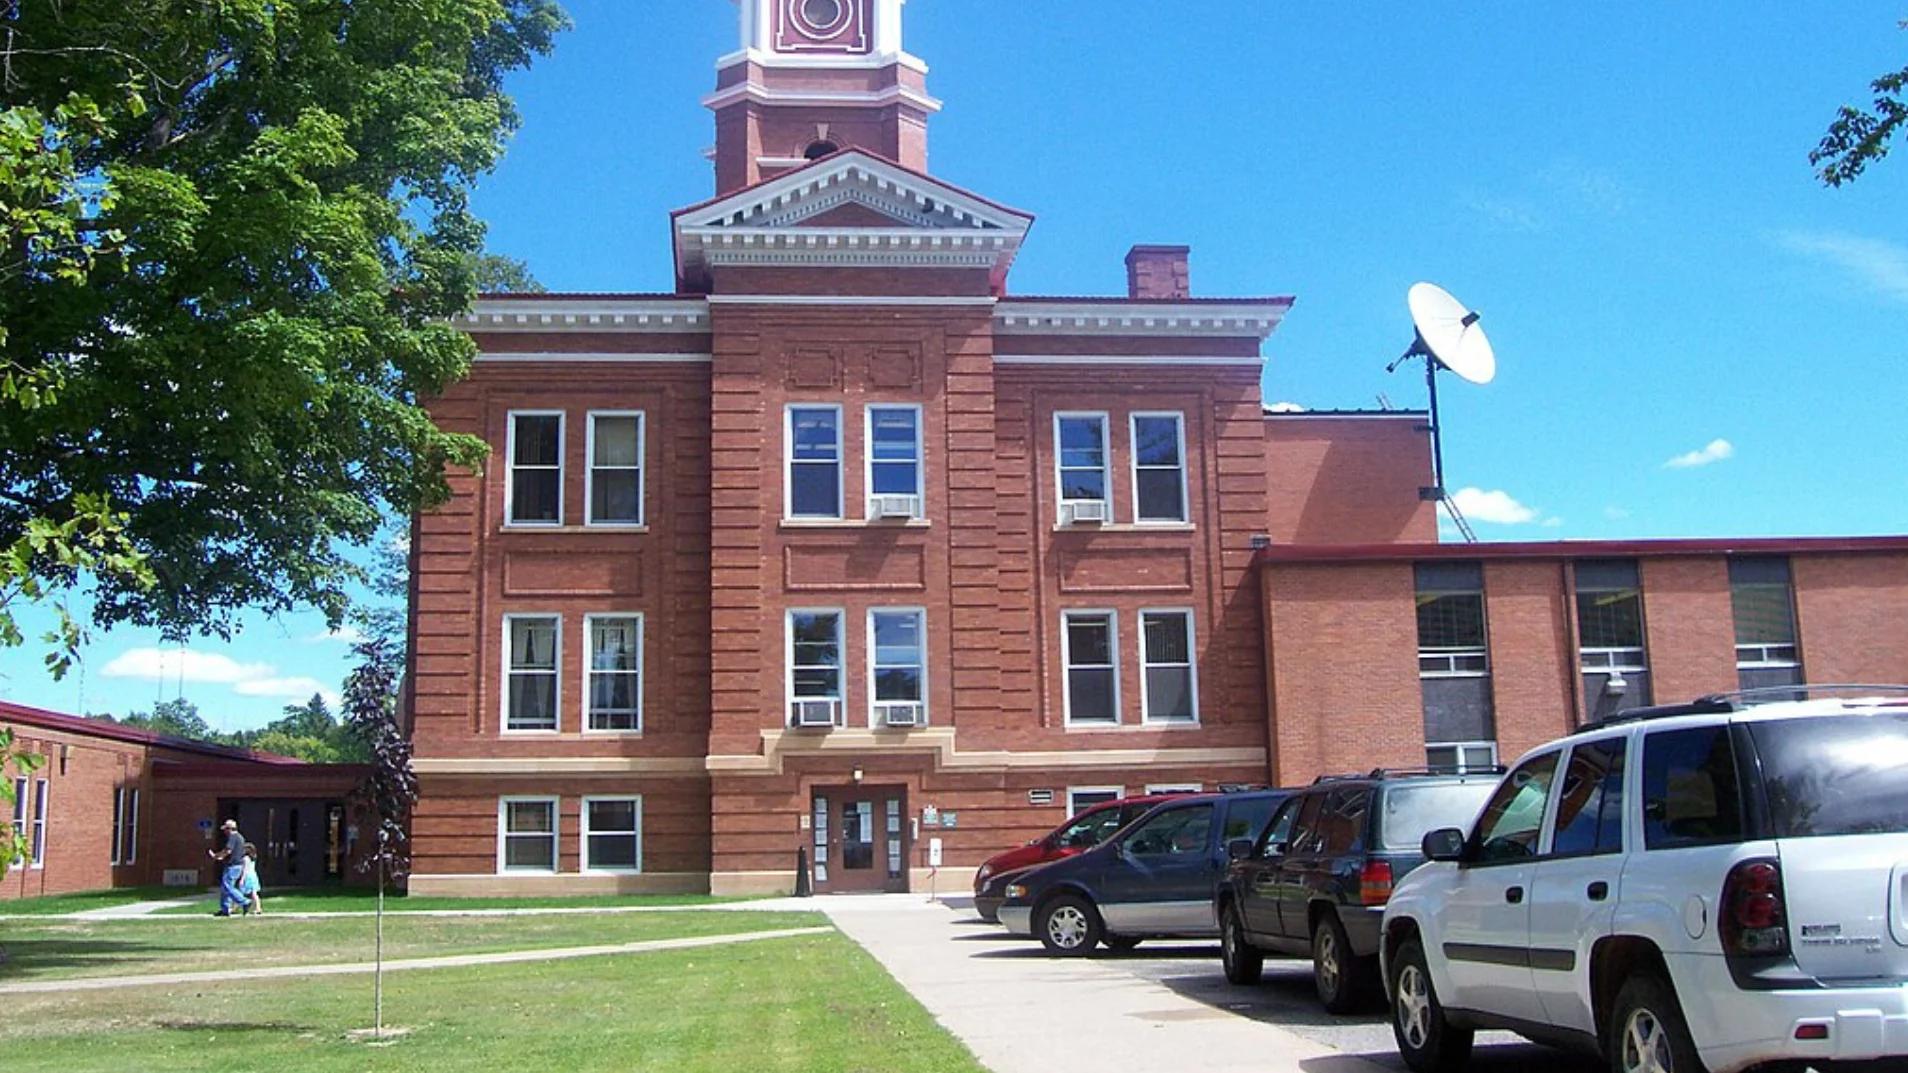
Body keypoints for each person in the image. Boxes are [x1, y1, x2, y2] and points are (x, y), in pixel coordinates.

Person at [207, 818, 247, 917]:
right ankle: (225, 909)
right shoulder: (240, 837)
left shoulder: (233, 837)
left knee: (227, 886)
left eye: (226, 829)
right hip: (236, 865)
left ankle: (244, 901)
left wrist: (217, 856)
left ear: (230, 829)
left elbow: (228, 850)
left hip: (233, 866)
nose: (224, 831)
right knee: (225, 888)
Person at [239, 842, 264, 916]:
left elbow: (244, 870)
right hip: (253, 875)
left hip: (247, 876)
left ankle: (234, 908)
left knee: (240, 893)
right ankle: (258, 908)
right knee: (254, 893)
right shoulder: (253, 857)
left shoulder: (245, 859)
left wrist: (242, 879)